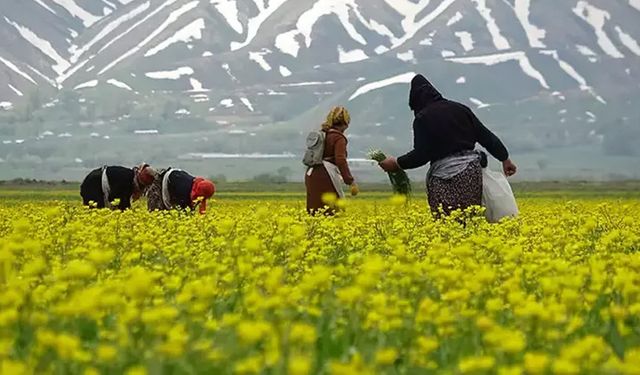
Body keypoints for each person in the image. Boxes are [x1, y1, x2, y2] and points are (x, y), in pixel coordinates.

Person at [379, 74, 517, 216]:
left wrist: (397, 163)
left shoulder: (422, 118)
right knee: (471, 218)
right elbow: (487, 137)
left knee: (447, 221)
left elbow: (421, 155)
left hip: (442, 179)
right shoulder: (460, 109)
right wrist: (505, 158)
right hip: (471, 173)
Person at [305, 106, 359, 215]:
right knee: (333, 210)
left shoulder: (324, 134)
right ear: (346, 123)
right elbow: (340, 160)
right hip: (326, 175)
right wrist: (350, 181)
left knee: (315, 209)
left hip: (312, 173)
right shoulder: (338, 138)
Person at [80, 164, 156, 210]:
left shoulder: (129, 177)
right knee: (95, 211)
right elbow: (116, 199)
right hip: (93, 185)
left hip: (95, 181)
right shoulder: (127, 181)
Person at [146, 168, 215, 214]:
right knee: (156, 213)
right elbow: (182, 212)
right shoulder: (184, 192)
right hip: (164, 182)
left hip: (176, 175)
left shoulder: (197, 186)